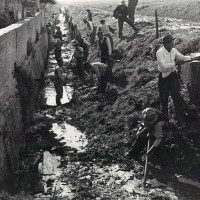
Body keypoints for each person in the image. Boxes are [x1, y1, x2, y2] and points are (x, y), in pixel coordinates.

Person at [156, 34, 194, 128]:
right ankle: (164, 121)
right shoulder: (160, 52)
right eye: (172, 42)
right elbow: (164, 66)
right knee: (164, 100)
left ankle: (180, 119)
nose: (173, 43)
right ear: (166, 44)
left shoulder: (173, 50)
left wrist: (192, 58)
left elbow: (182, 57)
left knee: (176, 97)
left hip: (173, 76)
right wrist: (176, 63)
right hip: (163, 78)